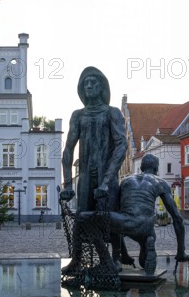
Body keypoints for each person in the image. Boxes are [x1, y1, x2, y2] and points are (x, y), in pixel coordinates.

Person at [60, 66, 127, 274]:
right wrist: (69, 183)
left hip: (107, 175)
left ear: (102, 86)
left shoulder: (112, 113)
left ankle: (115, 258)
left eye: (93, 82)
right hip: (87, 175)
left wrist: (107, 180)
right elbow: (68, 149)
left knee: (110, 217)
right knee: (82, 217)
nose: (88, 85)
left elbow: (121, 145)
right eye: (85, 83)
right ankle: (77, 260)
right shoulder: (78, 115)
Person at [85, 154, 188, 275]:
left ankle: (116, 258)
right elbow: (177, 218)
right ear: (156, 169)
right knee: (146, 247)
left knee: (111, 223)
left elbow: (117, 209)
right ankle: (147, 244)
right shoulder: (160, 183)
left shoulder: (126, 181)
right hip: (144, 225)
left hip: (124, 222)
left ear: (142, 168)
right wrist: (181, 251)